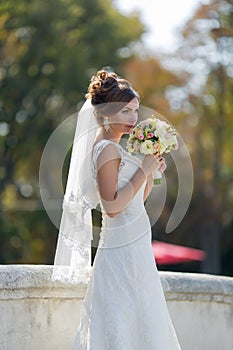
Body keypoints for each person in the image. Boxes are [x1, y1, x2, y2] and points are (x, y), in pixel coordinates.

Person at [53, 69, 181, 349]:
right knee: (124, 317)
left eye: (134, 111)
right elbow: (111, 206)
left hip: (135, 244)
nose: (133, 119)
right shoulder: (106, 150)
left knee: (140, 316)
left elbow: (136, 201)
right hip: (122, 247)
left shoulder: (116, 149)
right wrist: (142, 170)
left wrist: (148, 171)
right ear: (106, 112)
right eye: (125, 111)